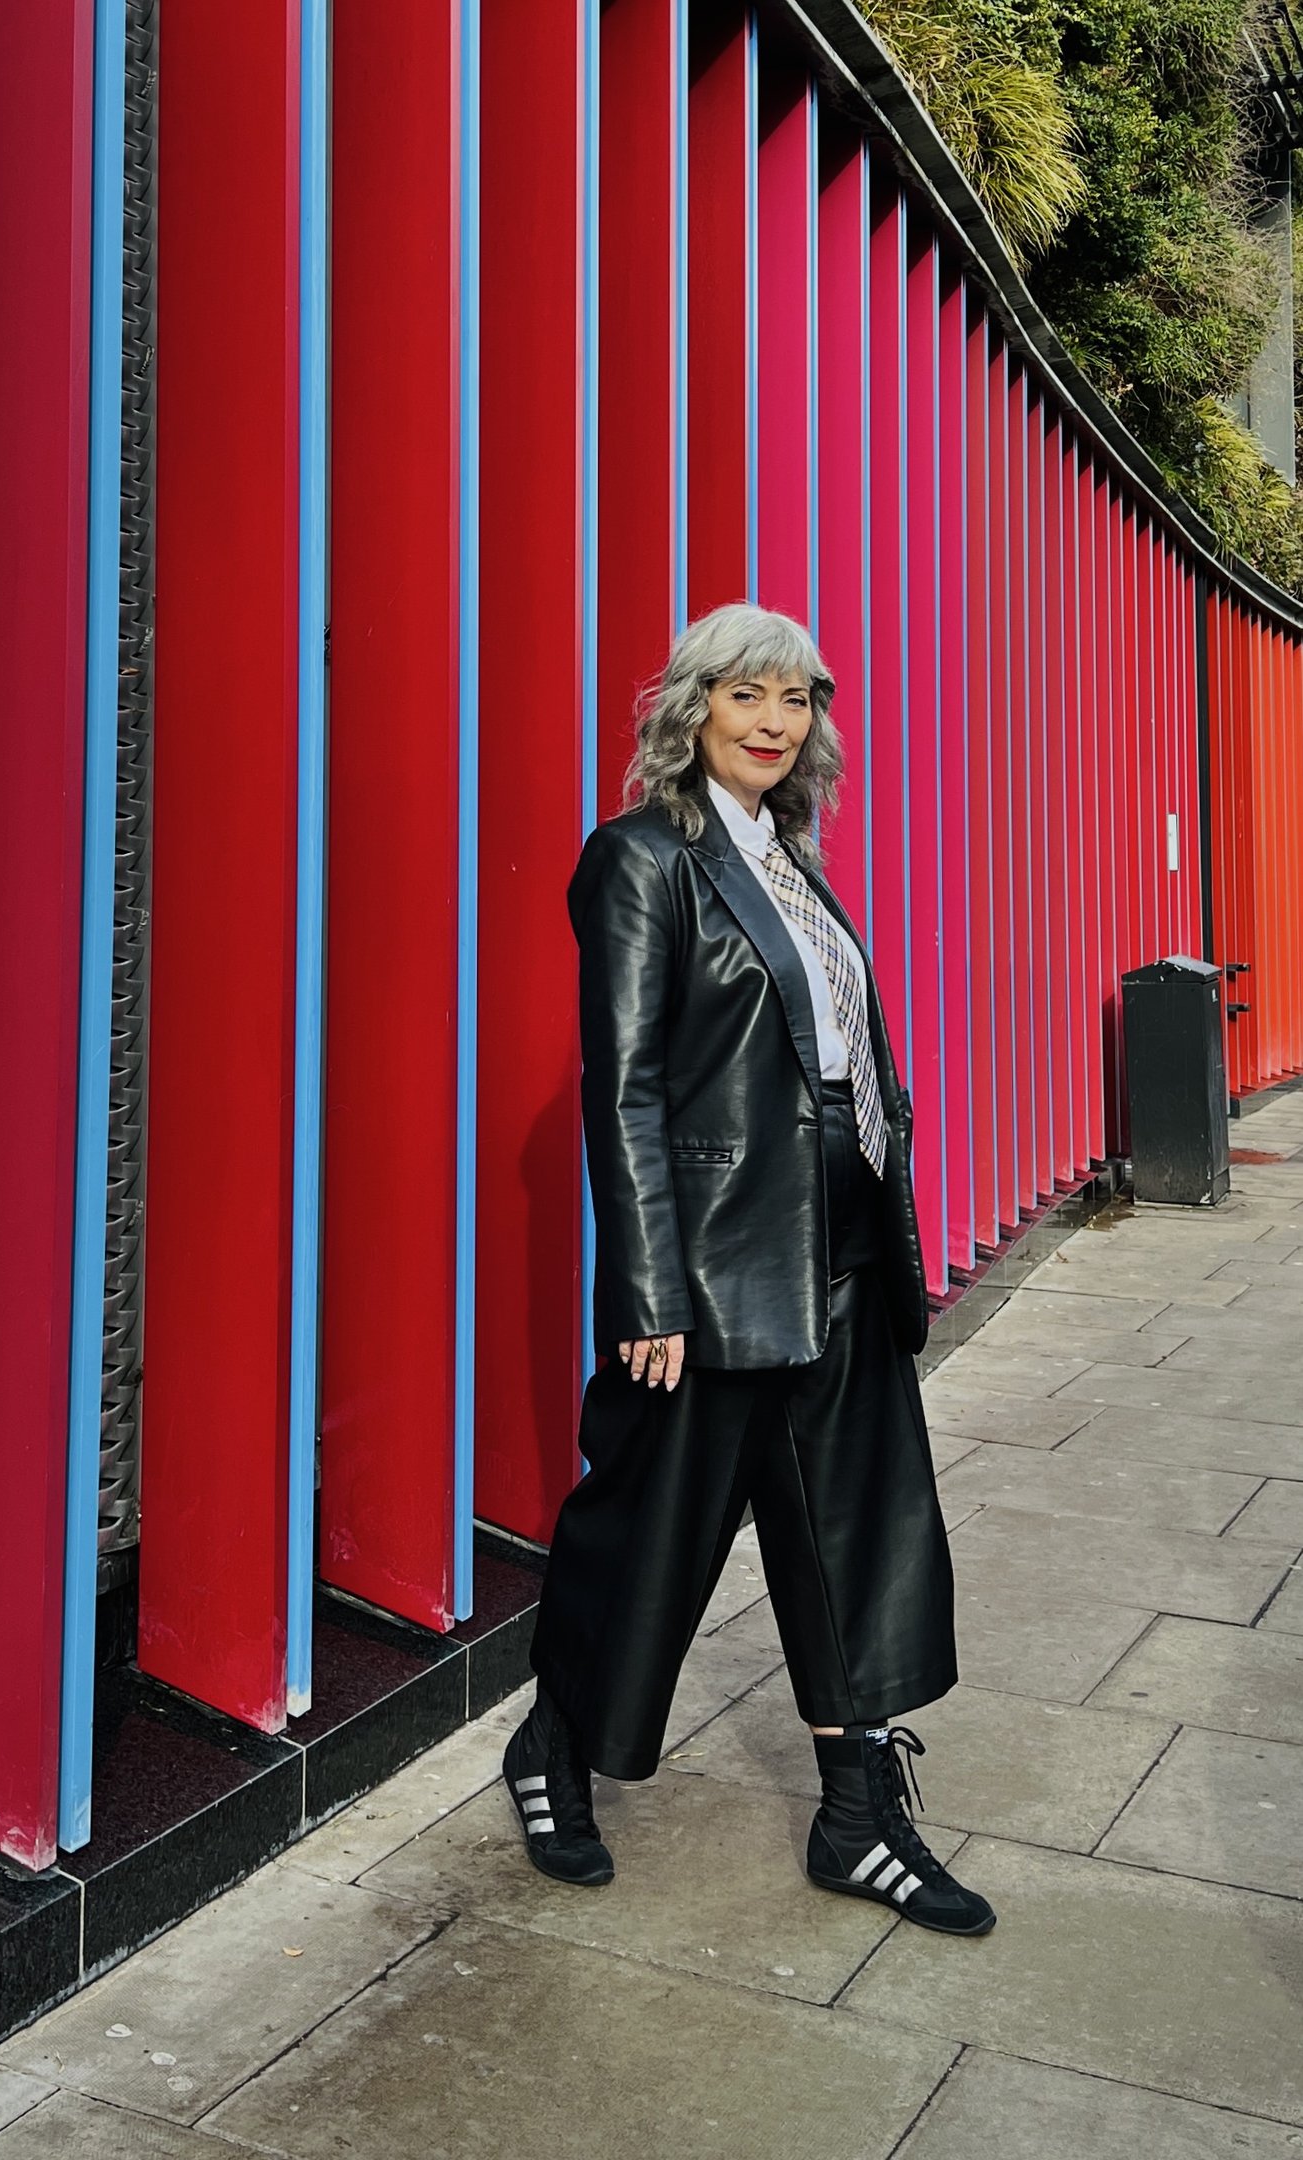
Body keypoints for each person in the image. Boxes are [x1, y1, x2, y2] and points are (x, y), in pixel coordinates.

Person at [503, 602, 994, 1938]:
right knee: (647, 1537)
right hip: (716, 1266)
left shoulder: (796, 861)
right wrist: (649, 1290)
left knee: (855, 1536)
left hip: (837, 1249)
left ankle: (857, 1813)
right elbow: (628, 1089)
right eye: (748, 695)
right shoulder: (642, 861)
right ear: (693, 709)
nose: (776, 721)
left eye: (799, 700)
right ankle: (555, 1749)